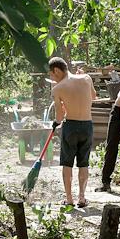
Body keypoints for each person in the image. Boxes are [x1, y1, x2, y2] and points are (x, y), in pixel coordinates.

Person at [48, 57, 96, 207]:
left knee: (67, 164)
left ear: (56, 70)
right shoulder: (86, 78)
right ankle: (81, 198)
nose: (52, 78)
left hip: (70, 127)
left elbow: (59, 116)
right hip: (87, 126)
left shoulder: (57, 89)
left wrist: (56, 121)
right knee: (83, 164)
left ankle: (69, 199)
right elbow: (93, 96)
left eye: (51, 74)